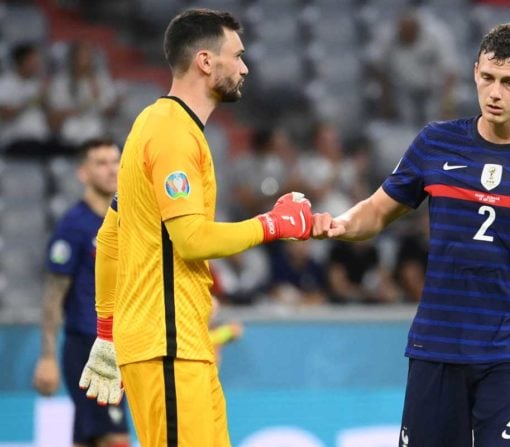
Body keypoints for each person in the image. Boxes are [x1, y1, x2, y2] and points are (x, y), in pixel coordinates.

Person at [313, 23, 510, 446]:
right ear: (474, 73)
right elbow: (377, 210)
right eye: (487, 78)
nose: (495, 92)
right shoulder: (436, 143)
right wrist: (339, 224)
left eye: (509, 82)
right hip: (437, 344)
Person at [77, 9, 312, 447]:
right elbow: (190, 240)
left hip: (183, 344)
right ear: (206, 62)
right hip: (169, 345)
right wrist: (274, 225)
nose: (244, 67)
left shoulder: (152, 125)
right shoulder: (173, 135)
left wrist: (108, 334)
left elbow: (110, 237)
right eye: (237, 56)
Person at [32, 138, 130, 447]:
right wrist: (47, 357)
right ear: (82, 173)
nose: (111, 170)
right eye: (100, 163)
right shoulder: (73, 227)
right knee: (115, 439)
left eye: (115, 161)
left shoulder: (129, 220)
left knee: (87, 440)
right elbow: (53, 296)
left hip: (123, 345)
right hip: (89, 347)